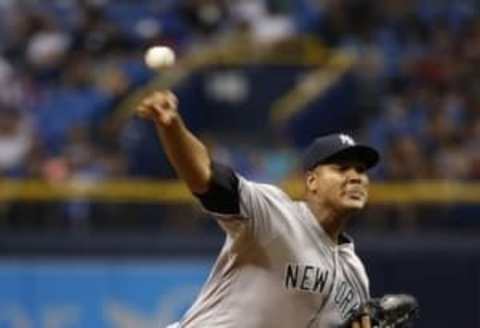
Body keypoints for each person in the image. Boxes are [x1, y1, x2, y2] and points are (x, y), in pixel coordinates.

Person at [136, 90, 380, 328]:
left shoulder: (355, 275)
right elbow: (206, 176)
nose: (355, 177)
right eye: (341, 168)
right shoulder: (276, 214)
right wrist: (172, 128)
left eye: (360, 170)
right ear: (312, 181)